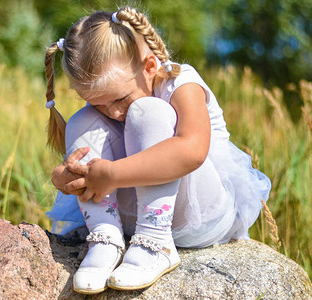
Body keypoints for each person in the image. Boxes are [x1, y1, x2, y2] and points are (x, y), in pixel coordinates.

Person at [44, 6, 271, 294]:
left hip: (199, 212)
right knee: (82, 120)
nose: (113, 112)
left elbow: (192, 151)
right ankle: (106, 238)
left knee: (147, 111)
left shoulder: (182, 83)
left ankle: (157, 243)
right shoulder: (113, 101)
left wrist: (112, 173)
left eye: (119, 99)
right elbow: (99, 136)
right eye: (99, 103)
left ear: (150, 66)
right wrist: (67, 177)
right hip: (134, 217)